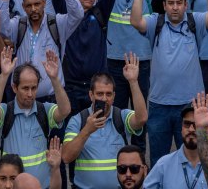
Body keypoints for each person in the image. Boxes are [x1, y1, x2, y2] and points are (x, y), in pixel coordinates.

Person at [131, 0, 208, 167]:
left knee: (193, 159)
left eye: (179, 3)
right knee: (158, 161)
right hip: (159, 105)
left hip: (190, 106)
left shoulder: (194, 22)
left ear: (185, 4)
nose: (175, 7)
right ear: (164, 6)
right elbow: (136, 21)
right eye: (170, 3)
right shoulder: (157, 22)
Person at [62, 56, 148, 189]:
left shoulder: (121, 116)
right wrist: (87, 130)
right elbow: (66, 157)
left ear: (114, 96)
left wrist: (133, 81)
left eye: (108, 94)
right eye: (100, 94)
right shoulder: (78, 120)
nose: (104, 98)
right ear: (91, 95)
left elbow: (141, 119)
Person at [0, 46, 68, 188]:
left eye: (34, 88)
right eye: (25, 88)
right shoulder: (6, 112)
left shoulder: (45, 110)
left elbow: (65, 110)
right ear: (14, 88)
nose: (30, 94)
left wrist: (54, 79)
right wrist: (4, 75)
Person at [144, 100, 208, 187]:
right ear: (181, 128)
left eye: (196, 125)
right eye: (187, 124)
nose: (191, 129)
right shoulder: (163, 165)